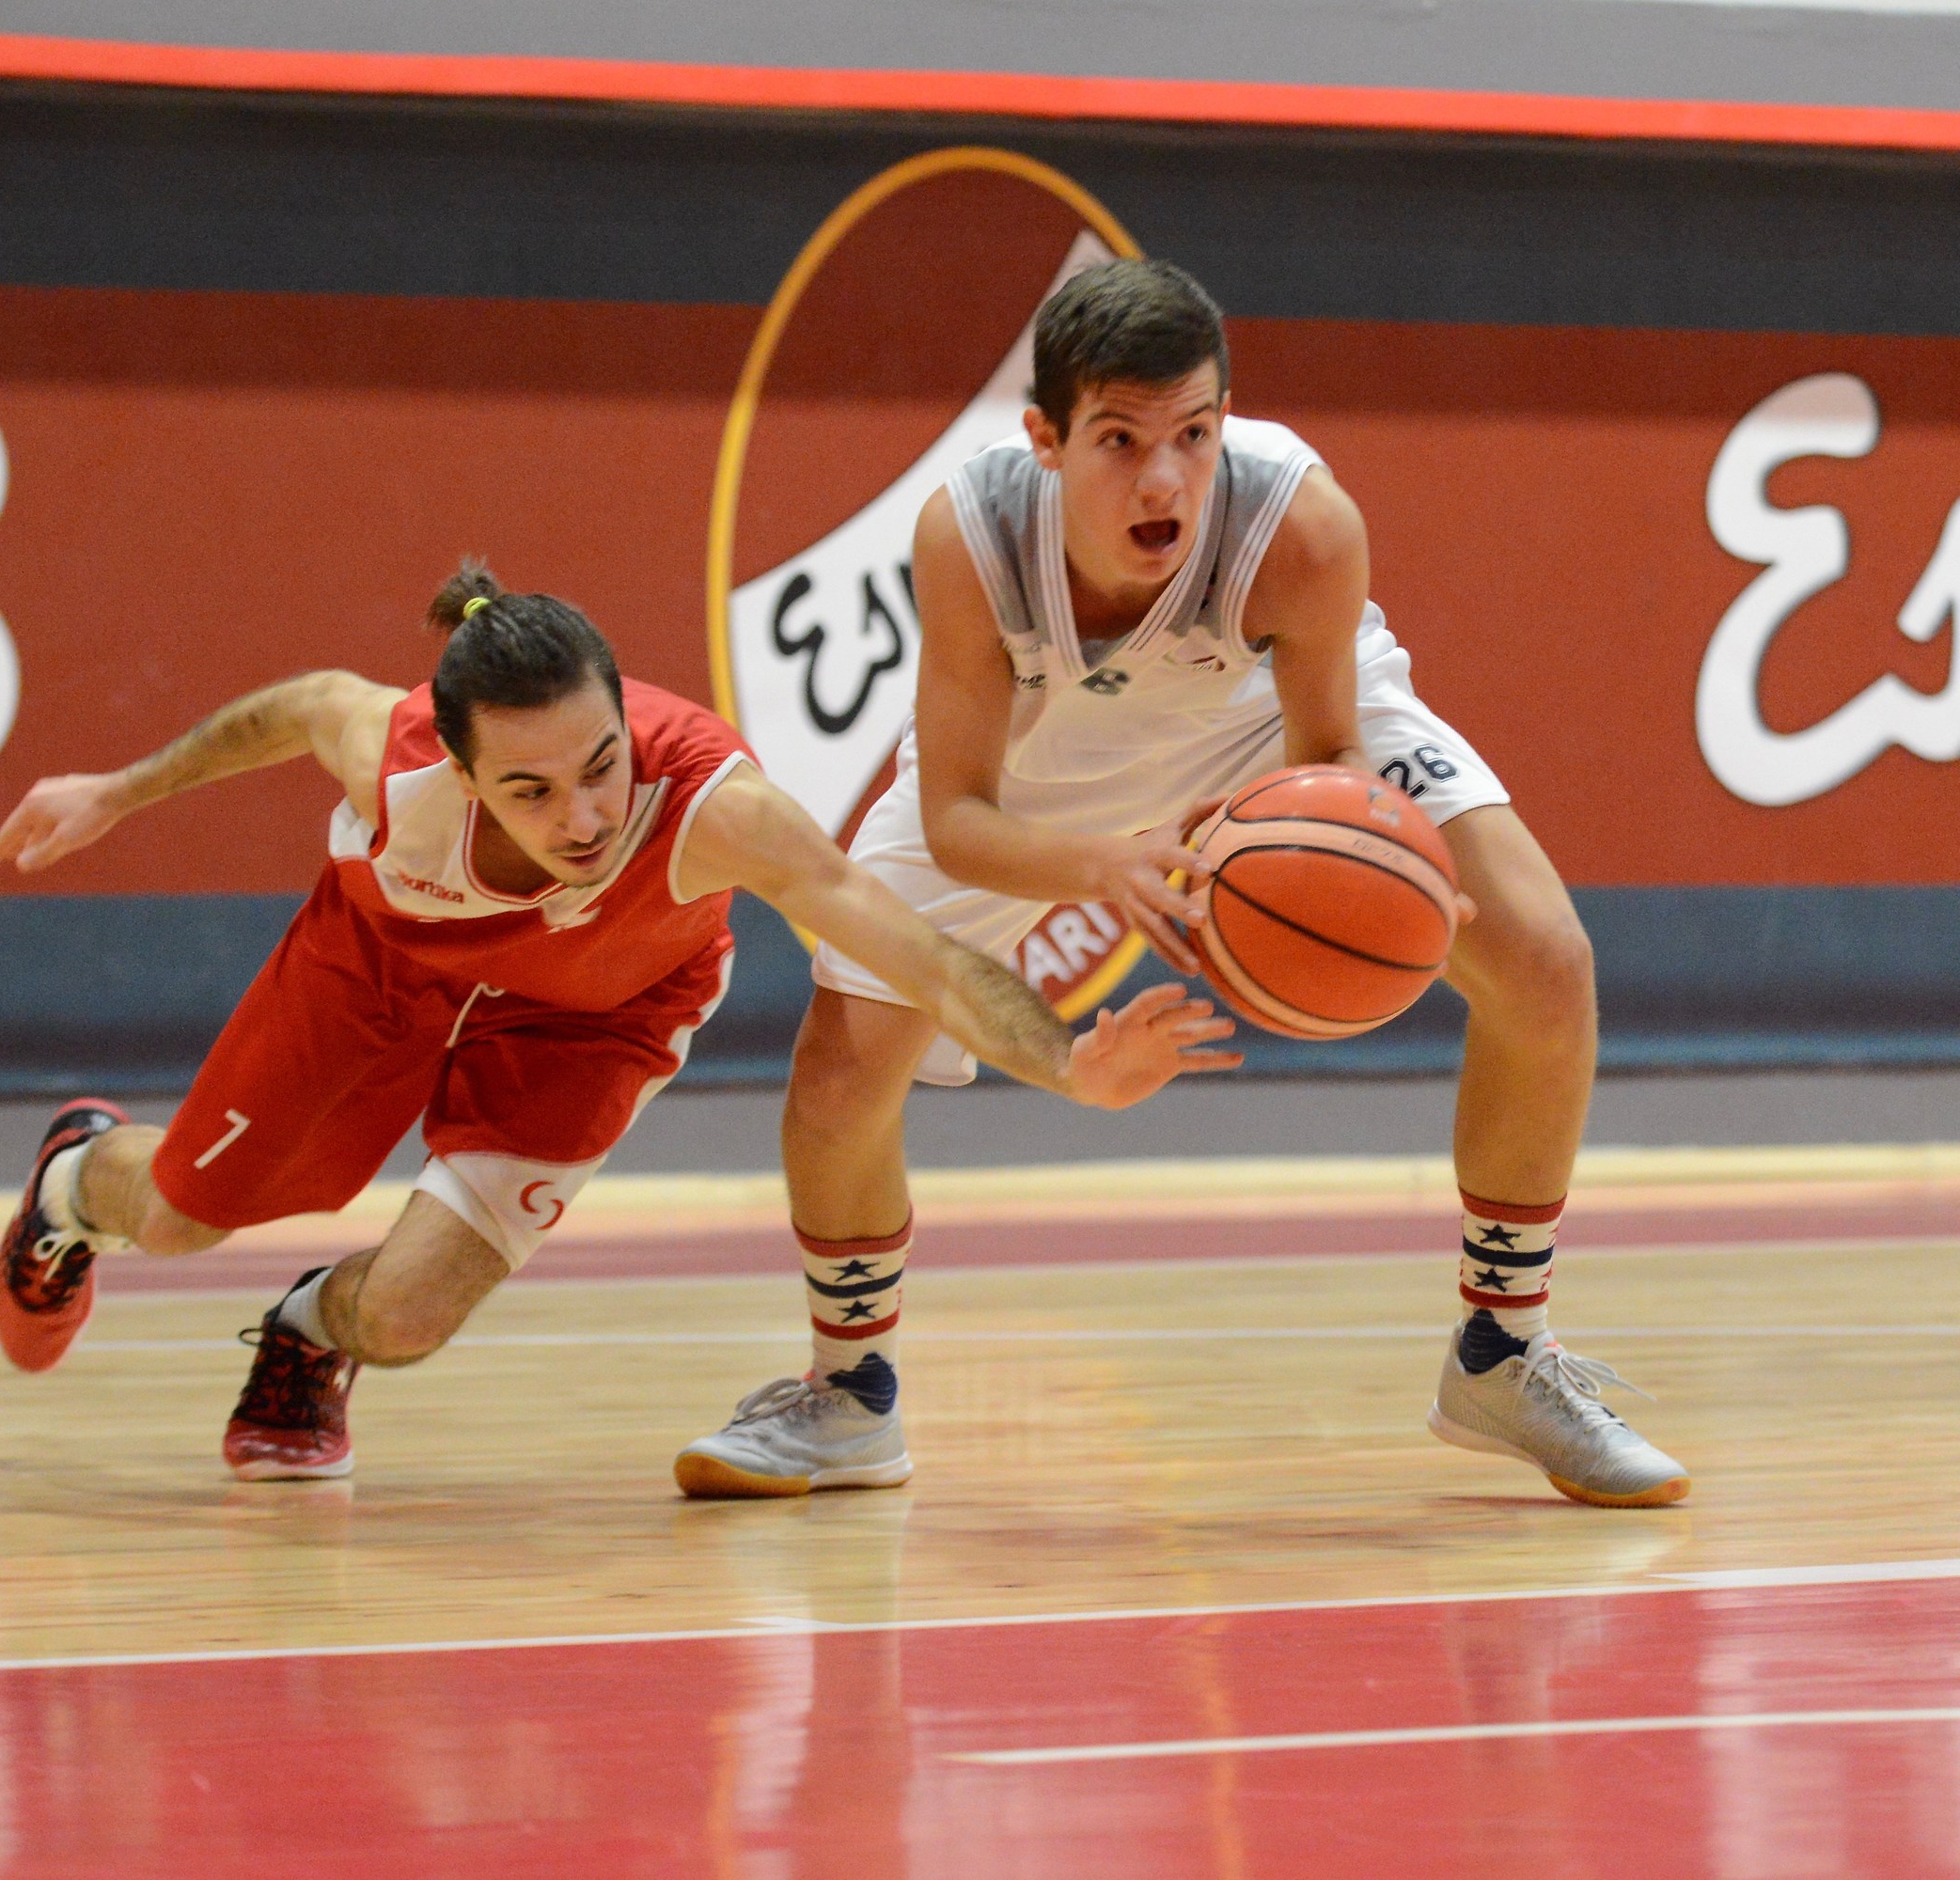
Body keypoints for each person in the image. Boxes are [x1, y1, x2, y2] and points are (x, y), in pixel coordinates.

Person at [676, 260, 1689, 1508]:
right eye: (1121, 441)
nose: (1164, 477)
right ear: (1045, 438)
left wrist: (1366, 886)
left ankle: (1502, 1353)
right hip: (1037, 772)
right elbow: (957, 819)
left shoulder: (1299, 527)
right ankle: (850, 1398)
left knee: (1543, 960)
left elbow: (1325, 759)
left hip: (1257, 735)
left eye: (1194, 435)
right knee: (841, 1065)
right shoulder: (972, 534)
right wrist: (1101, 867)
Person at [0, 562, 1233, 1481]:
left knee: (409, 1317)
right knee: (189, 1218)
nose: (582, 814)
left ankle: (313, 1332)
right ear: (465, 775)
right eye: (529, 788)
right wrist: (118, 790)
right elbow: (304, 702)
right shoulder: (403, 763)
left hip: (596, 1016)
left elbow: (919, 951)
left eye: (598, 765)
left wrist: (1068, 1061)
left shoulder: (714, 808)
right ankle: (76, 1181)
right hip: (383, 962)